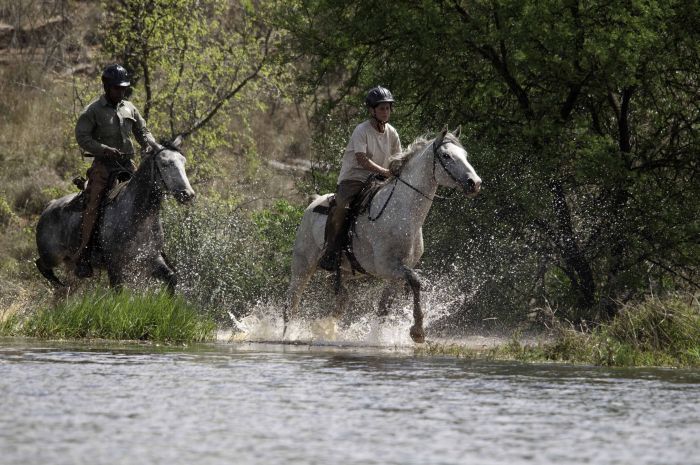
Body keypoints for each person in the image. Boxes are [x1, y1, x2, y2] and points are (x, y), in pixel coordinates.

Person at [73, 64, 157, 278]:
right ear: (106, 87)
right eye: (117, 88)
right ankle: (84, 255)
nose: (121, 92)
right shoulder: (92, 111)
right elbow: (82, 137)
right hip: (103, 167)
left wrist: (149, 145)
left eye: (123, 88)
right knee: (93, 204)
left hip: (128, 166)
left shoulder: (130, 108)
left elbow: (143, 130)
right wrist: (103, 149)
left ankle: (153, 249)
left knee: (147, 198)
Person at [319, 85, 402, 270]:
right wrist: (386, 172)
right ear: (372, 110)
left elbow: (397, 159)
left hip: (379, 180)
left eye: (388, 108)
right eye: (381, 108)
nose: (385, 111)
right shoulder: (361, 130)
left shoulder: (393, 132)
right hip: (354, 178)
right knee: (341, 207)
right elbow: (362, 160)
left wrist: (398, 172)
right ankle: (331, 252)